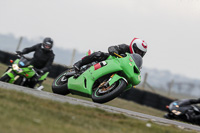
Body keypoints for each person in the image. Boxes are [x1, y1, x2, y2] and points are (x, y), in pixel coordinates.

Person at [73, 37, 147, 72]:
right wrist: (114, 51)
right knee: (99, 54)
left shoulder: (136, 60)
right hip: (110, 60)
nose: (139, 53)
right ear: (133, 46)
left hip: (118, 69)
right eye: (138, 51)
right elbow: (113, 48)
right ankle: (79, 64)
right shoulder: (125, 47)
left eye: (141, 53)